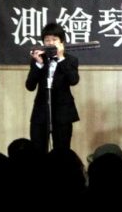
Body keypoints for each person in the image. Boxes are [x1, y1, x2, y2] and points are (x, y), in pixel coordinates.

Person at [25, 22, 80, 152]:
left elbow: (73, 80)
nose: (50, 43)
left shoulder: (70, 60)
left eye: (54, 39)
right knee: (38, 150)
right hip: (41, 112)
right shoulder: (38, 59)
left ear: (62, 42)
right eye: (47, 40)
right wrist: (38, 64)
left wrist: (61, 58)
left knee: (61, 151)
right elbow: (30, 86)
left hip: (62, 112)